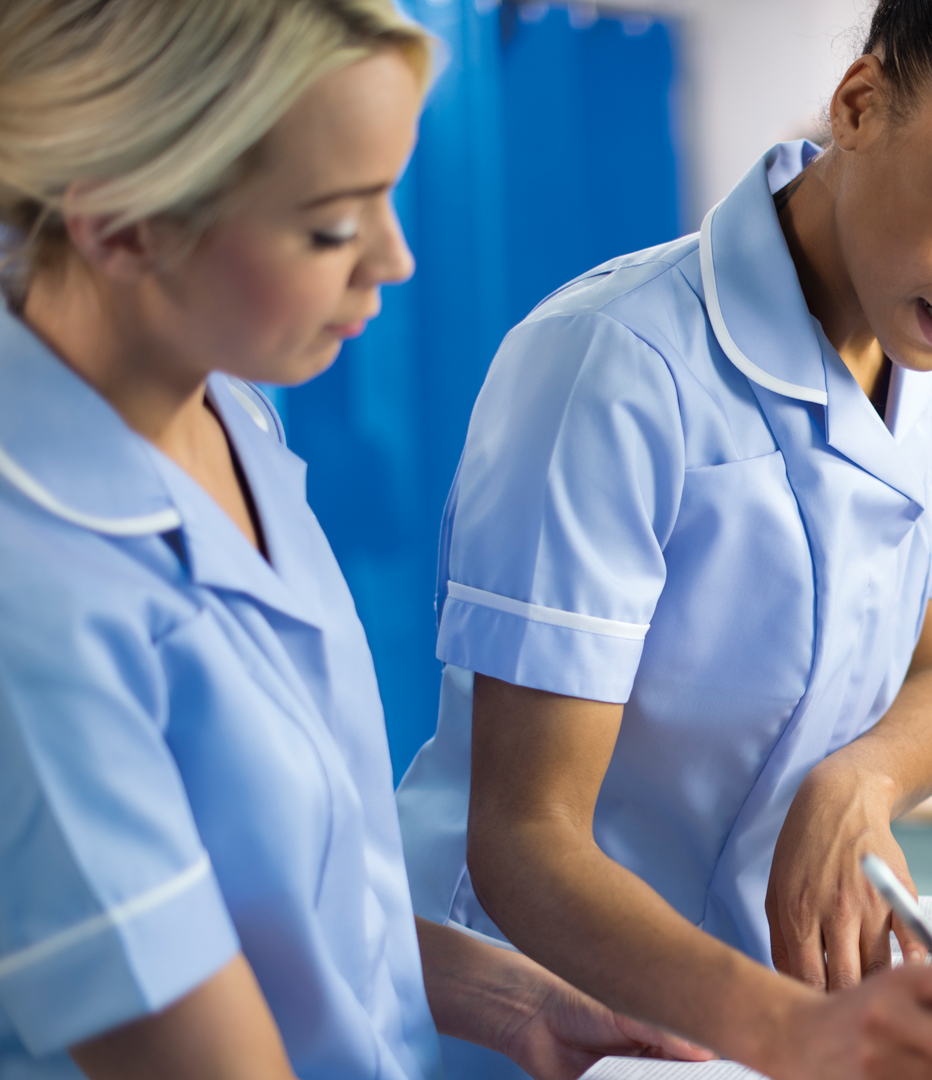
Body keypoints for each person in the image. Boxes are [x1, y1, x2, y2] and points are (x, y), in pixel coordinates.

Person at [393, 1, 932, 1076]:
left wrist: (861, 783)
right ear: (859, 105)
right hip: (541, 1009)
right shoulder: (611, 365)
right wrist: (790, 1031)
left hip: (744, 1012)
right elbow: (527, 840)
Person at [4, 1, 711, 1077]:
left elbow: (283, 907)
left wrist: (510, 996)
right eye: (334, 223)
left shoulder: (227, 411)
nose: (394, 258)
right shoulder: (34, 595)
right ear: (121, 224)